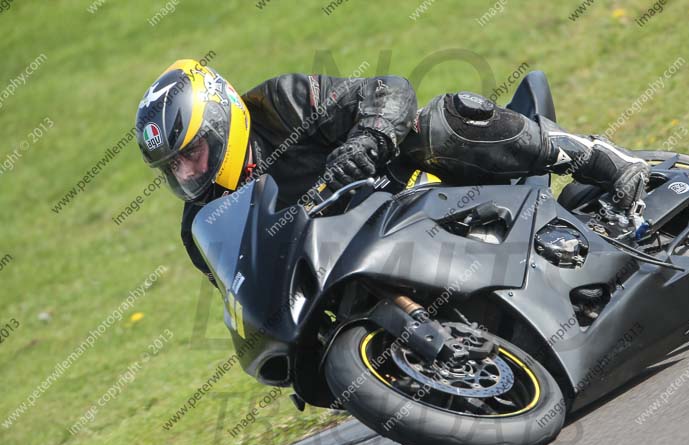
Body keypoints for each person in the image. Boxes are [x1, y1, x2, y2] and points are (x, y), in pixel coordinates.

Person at [134, 59, 650, 283]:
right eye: (173, 165)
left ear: (221, 121)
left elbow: (388, 91)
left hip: (408, 186)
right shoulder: (199, 226)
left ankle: (600, 158)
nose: (186, 171)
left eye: (192, 150)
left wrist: (367, 140)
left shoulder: (279, 102)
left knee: (439, 122)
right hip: (357, 260)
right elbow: (246, 290)